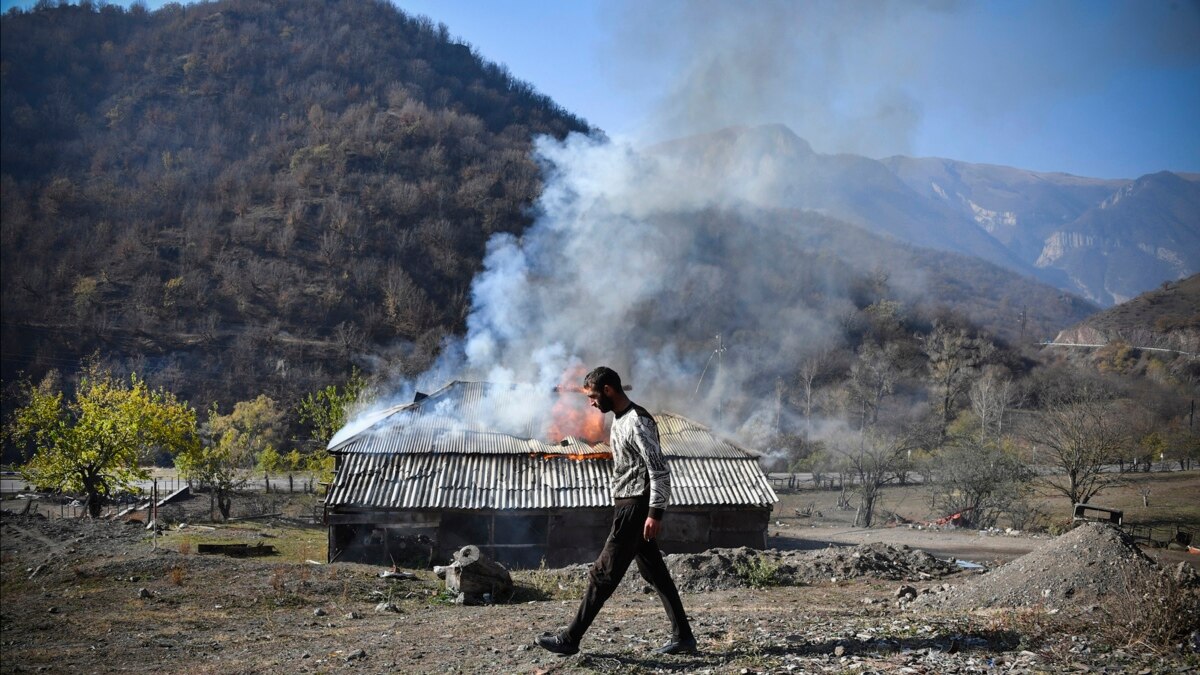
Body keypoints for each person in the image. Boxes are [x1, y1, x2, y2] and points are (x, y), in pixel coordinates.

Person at [536, 366, 697, 656]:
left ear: (609, 390)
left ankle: (570, 639)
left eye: (594, 396)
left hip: (635, 507)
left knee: (602, 574)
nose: (591, 403)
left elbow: (659, 469)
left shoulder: (638, 421)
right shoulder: (619, 420)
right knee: (656, 574)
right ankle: (683, 637)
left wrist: (654, 513)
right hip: (626, 504)